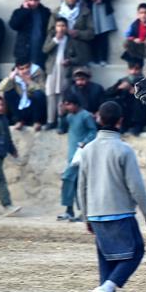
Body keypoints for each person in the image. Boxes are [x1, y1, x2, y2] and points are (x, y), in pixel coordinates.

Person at [79, 101, 146, 292]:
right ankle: (106, 290)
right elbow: (137, 188)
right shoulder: (124, 149)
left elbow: (81, 186)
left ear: (98, 118)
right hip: (119, 212)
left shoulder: (87, 150)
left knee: (106, 257)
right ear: (120, 121)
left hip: (95, 213)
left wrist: (85, 216)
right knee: (135, 252)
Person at [58, 94, 96, 222]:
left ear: (75, 104)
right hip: (72, 157)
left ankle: (78, 212)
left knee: (70, 179)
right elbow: (61, 130)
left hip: (82, 155)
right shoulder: (69, 116)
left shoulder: (85, 115)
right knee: (74, 183)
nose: (67, 107)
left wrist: (85, 142)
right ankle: (72, 211)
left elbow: (93, 132)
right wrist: (61, 115)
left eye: (68, 104)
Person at [43, 17, 85, 129]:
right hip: (52, 70)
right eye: (58, 26)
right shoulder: (51, 38)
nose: (61, 28)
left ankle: (60, 121)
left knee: (62, 96)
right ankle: (50, 121)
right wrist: (56, 40)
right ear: (55, 27)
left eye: (63, 26)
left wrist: (69, 61)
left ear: (67, 27)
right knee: (50, 95)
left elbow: (79, 57)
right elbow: (45, 50)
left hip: (65, 71)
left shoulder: (71, 40)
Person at [82, 0, 118, 66]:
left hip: (104, 9)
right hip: (92, 10)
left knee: (104, 35)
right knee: (93, 34)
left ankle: (103, 59)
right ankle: (94, 59)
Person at [49, 0, 96, 64]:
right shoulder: (57, 13)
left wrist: (78, 33)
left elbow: (91, 33)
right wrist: (61, 32)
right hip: (61, 50)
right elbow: (50, 31)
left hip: (80, 51)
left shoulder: (85, 11)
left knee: (79, 74)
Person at [0, 59, 47, 130]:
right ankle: (19, 120)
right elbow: (1, 88)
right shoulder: (15, 75)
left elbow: (43, 90)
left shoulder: (37, 71)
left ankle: (37, 122)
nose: (25, 70)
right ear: (17, 69)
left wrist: (28, 81)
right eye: (22, 69)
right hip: (21, 107)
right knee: (8, 93)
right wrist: (10, 78)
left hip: (34, 107)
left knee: (38, 94)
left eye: (27, 67)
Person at [103, 60, 146, 135]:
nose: (133, 72)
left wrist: (137, 92)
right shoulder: (123, 80)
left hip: (138, 114)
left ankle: (137, 126)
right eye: (131, 69)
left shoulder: (145, 81)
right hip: (125, 113)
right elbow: (107, 93)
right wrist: (118, 88)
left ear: (140, 70)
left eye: (136, 69)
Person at [9, 0, 51, 69]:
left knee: (39, 74)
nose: (33, 3)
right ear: (25, 0)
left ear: (39, 0)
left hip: (40, 49)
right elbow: (13, 25)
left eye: (35, 0)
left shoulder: (45, 12)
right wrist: (24, 11)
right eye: (30, 0)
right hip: (24, 50)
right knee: (22, 75)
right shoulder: (19, 12)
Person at [122, 2, 146, 68]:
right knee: (126, 42)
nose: (143, 15)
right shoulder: (134, 25)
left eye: (145, 13)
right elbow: (127, 34)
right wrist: (134, 39)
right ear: (138, 14)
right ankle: (135, 59)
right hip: (138, 48)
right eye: (141, 13)